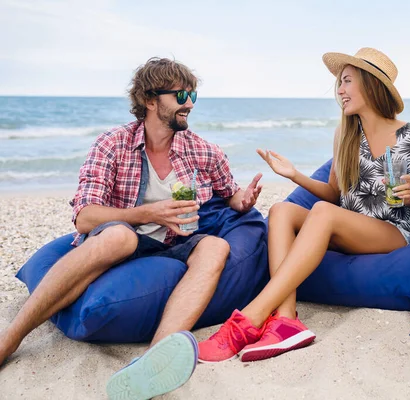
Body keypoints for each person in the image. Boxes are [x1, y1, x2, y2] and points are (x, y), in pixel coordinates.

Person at [0, 58, 262, 397]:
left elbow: (230, 194)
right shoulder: (113, 144)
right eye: (181, 95)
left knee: (216, 246)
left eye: (194, 96)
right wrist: (149, 213)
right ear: (150, 100)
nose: (190, 104)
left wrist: (245, 200)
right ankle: (11, 338)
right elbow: (84, 216)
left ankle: (154, 362)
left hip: (174, 242)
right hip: (123, 237)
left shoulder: (203, 150)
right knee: (120, 237)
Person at [197, 48, 410, 363]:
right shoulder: (346, 134)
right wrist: (294, 175)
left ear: (372, 86)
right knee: (281, 211)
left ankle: (251, 317)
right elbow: (334, 194)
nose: (340, 91)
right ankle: (285, 317)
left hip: (394, 231)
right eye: (340, 84)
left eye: (347, 82)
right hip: (349, 226)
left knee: (321, 213)